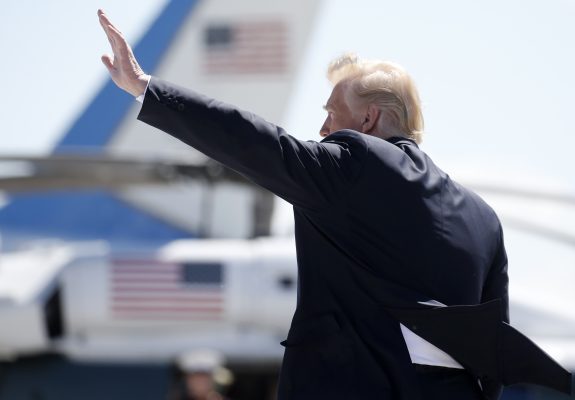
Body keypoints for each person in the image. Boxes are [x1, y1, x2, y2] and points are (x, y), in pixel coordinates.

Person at [97, 10, 573, 400]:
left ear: (367, 119)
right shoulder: (484, 219)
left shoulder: (354, 164)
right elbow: (493, 351)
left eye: (330, 112)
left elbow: (254, 141)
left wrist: (146, 87)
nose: (322, 129)